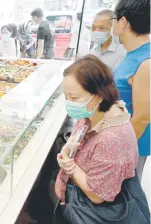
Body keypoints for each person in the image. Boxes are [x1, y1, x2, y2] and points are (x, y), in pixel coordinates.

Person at [54, 55, 144, 223]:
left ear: (99, 95)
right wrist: (69, 149)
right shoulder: (94, 113)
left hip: (92, 212)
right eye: (66, 97)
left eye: (74, 98)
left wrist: (71, 166)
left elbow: (97, 195)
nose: (69, 103)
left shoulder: (113, 140)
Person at [112, 0, 150, 180]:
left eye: (114, 19)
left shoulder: (145, 63)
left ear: (123, 22)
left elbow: (143, 117)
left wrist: (117, 152)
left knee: (122, 201)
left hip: (129, 148)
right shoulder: (133, 54)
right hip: (119, 140)